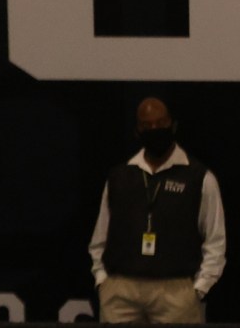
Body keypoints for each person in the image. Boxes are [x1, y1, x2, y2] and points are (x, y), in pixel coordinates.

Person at [88, 96, 226, 324]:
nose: (154, 129)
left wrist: (199, 289)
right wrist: (102, 279)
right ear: (137, 131)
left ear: (173, 125)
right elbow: (100, 235)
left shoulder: (199, 177)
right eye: (147, 125)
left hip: (175, 292)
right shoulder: (119, 176)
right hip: (120, 290)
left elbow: (215, 239)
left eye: (160, 124)